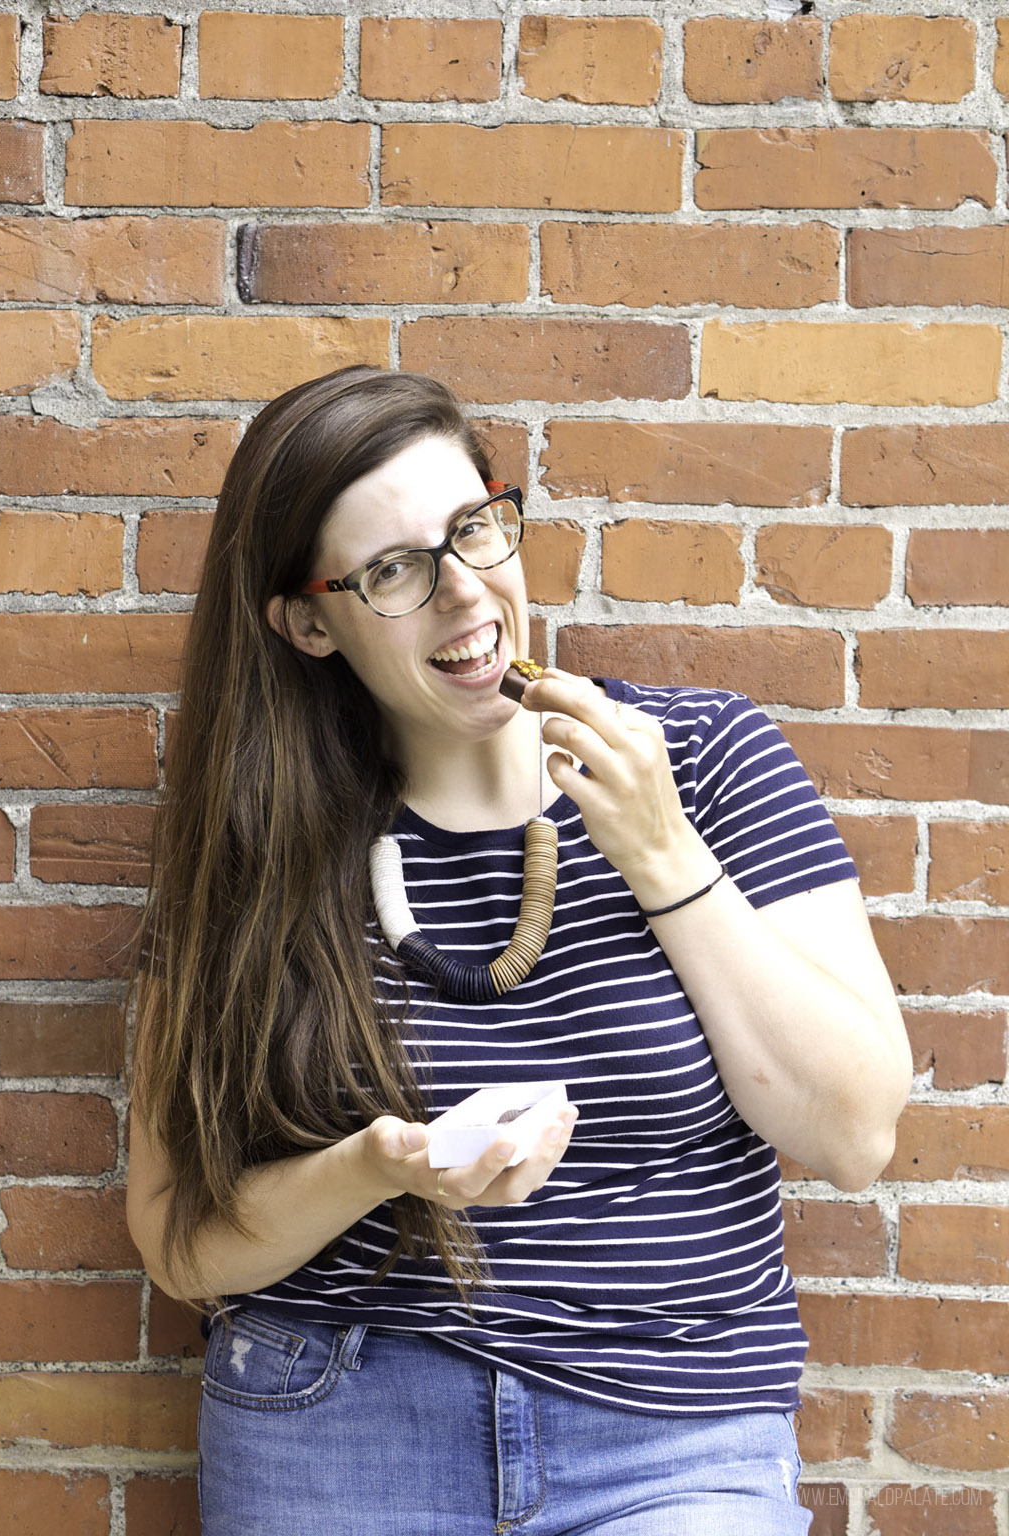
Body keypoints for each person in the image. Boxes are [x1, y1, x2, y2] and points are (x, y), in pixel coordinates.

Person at [126, 365, 913, 1536]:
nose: (463, 591)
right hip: (336, 1417)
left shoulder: (708, 759)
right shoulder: (258, 842)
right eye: (393, 569)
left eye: (474, 528)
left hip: (674, 1433)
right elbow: (182, 1244)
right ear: (307, 619)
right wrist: (378, 1168)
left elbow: (853, 1135)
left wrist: (661, 855)